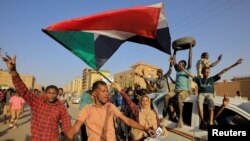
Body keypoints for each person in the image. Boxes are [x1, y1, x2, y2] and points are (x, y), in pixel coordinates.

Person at [2, 55, 72, 141]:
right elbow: (22, 89)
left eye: (54, 93)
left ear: (57, 94)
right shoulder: (37, 101)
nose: (51, 95)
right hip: (36, 138)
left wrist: (69, 137)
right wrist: (13, 71)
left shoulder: (60, 107)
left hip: (52, 138)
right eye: (49, 93)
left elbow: (67, 124)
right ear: (45, 93)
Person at [66, 80, 156, 141]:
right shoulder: (87, 109)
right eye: (103, 91)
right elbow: (75, 129)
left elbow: (127, 120)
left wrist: (145, 128)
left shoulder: (111, 106)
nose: (106, 94)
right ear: (94, 93)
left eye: (107, 91)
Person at [180, 58, 243, 126]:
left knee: (211, 103)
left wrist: (235, 64)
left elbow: (223, 71)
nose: (207, 73)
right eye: (206, 72)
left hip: (210, 94)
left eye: (208, 72)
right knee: (199, 102)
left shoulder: (212, 79)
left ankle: (210, 122)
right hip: (201, 94)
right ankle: (203, 121)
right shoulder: (199, 80)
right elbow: (190, 74)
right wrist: (183, 69)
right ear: (202, 73)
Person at [163, 45, 192, 128]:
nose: (179, 65)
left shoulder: (188, 70)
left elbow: (190, 59)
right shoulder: (177, 70)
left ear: (184, 66)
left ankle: (180, 119)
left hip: (184, 90)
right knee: (166, 97)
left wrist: (190, 48)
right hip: (176, 89)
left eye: (182, 64)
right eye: (179, 64)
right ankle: (167, 113)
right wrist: (175, 50)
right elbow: (174, 61)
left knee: (179, 97)